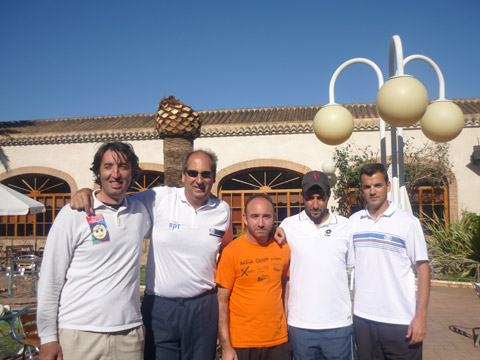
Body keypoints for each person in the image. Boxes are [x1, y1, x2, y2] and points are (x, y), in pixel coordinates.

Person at [70, 149, 234, 360]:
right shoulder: (160, 197)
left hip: (203, 308)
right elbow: (116, 197)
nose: (199, 180)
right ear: (183, 175)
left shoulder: (222, 210)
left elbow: (228, 250)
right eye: (193, 173)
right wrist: (87, 192)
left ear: (213, 177)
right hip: (160, 309)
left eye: (206, 174)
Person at [37, 142, 151, 360]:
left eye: (123, 167)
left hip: (129, 335)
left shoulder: (140, 212)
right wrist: (48, 338)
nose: (115, 174)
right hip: (79, 334)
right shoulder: (73, 214)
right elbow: (51, 278)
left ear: (133, 172)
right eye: (108, 166)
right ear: (98, 172)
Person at [350, 163, 430, 360]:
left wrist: (420, 317)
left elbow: (423, 269)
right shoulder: (353, 222)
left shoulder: (407, 223)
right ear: (362, 190)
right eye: (367, 187)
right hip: (363, 320)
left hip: (400, 321)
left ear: (388, 186)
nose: (372, 191)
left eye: (377, 185)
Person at [280, 171, 355, 360]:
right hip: (300, 325)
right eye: (310, 198)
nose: (315, 204)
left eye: (320, 198)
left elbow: (354, 268)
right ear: (302, 196)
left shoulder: (345, 227)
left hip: (337, 325)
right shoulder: (288, 226)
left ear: (328, 195)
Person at [216, 194, 291, 360]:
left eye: (266, 216)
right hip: (242, 343)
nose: (261, 223)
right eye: (255, 216)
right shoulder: (231, 252)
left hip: (277, 341)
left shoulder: (283, 248)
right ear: (245, 218)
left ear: (274, 218)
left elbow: (285, 289)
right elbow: (222, 302)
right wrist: (226, 347)